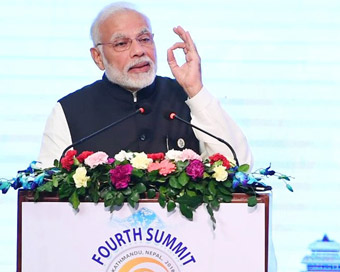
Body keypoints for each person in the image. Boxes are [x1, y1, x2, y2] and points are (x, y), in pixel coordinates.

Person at [37, 2, 253, 169]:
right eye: (122, 43)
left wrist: (196, 90)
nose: (139, 51)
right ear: (98, 58)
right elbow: (46, 197)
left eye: (145, 39)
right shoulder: (69, 110)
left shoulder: (186, 97)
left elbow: (238, 165)